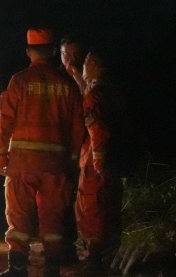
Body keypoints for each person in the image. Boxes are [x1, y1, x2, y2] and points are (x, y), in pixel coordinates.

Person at [0, 28, 85, 277]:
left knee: (19, 218)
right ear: (54, 52)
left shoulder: (19, 81)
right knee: (53, 218)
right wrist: (72, 162)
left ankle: (18, 268)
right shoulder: (67, 85)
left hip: (22, 164)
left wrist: (0, 155)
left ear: (29, 52)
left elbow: (5, 122)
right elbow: (78, 128)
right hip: (56, 166)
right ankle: (52, 269)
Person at [75, 49, 126, 275]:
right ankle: (106, 260)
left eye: (85, 62)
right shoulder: (114, 91)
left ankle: (94, 262)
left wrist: (97, 161)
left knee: (92, 209)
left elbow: (97, 129)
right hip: (115, 160)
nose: (83, 66)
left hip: (97, 164)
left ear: (95, 65)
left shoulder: (94, 95)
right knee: (110, 209)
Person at [58, 33, 89, 265]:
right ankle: (62, 247)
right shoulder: (57, 77)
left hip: (83, 148)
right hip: (60, 147)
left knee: (81, 199)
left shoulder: (87, 78)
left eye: (75, 54)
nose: (70, 59)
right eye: (66, 54)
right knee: (60, 198)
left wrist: (78, 75)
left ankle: (79, 246)